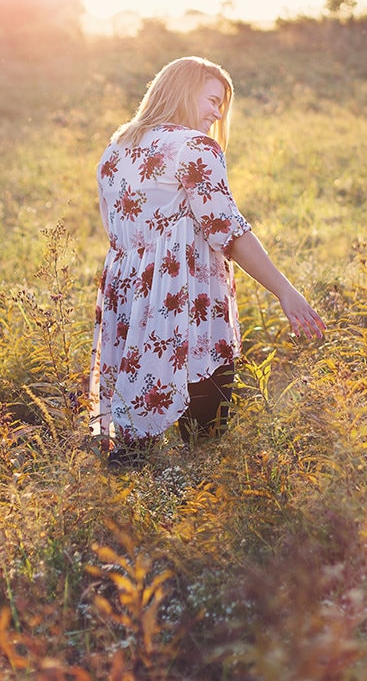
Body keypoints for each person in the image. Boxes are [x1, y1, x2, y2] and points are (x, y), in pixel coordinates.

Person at [89, 56, 325, 464]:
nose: (217, 114)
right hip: (187, 308)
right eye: (213, 100)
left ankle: (121, 523)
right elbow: (229, 232)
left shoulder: (116, 149)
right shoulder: (196, 148)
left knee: (130, 452)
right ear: (183, 90)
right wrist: (285, 291)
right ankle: (198, 518)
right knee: (206, 447)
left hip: (129, 306)